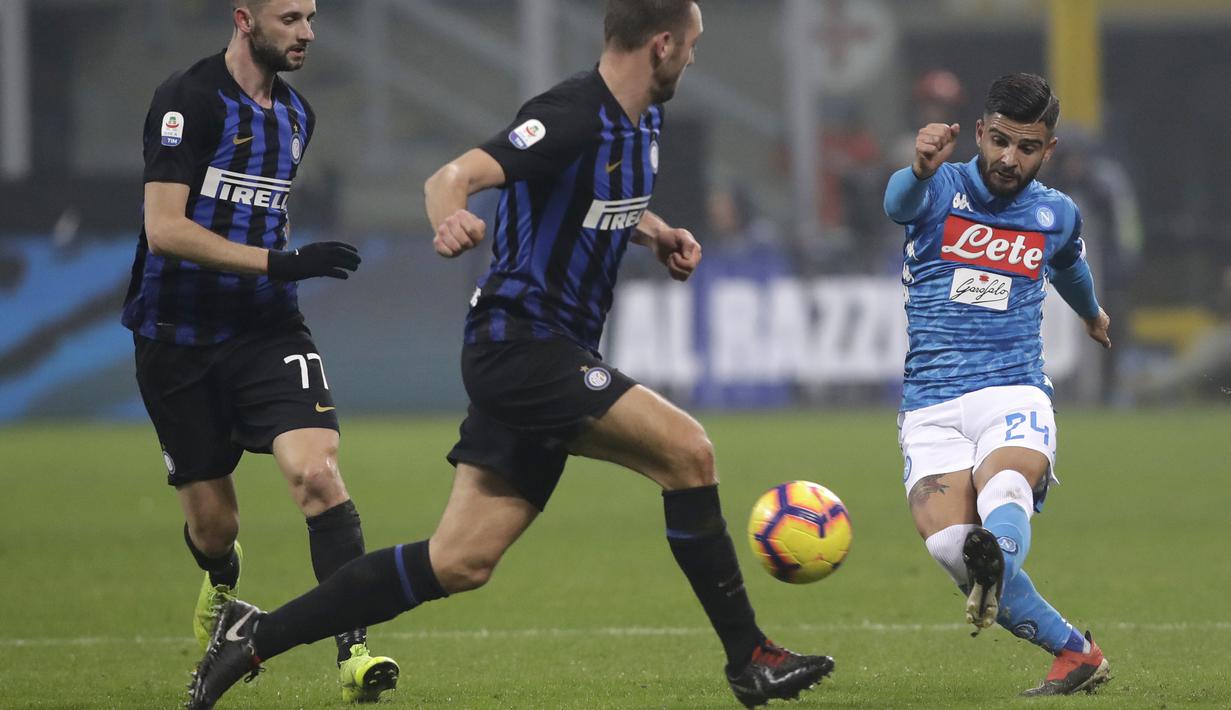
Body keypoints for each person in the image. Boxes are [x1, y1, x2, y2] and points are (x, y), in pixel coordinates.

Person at [186, 2, 834, 708]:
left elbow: (595, 193)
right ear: (659, 44)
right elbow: (449, 178)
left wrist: (654, 231)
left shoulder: (644, 117)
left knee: (459, 561)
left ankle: (252, 637)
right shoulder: (567, 114)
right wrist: (451, 218)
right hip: (521, 345)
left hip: (549, 351)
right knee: (688, 452)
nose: (694, 58)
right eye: (691, 45)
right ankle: (749, 659)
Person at [121, 0, 397, 702]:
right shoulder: (187, 100)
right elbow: (164, 229)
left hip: (266, 329)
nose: (306, 32)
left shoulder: (298, 115)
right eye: (289, 18)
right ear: (245, 18)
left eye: (310, 17)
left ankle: (354, 652)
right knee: (215, 527)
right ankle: (222, 588)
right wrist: (279, 262)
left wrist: (277, 276)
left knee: (317, 474)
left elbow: (256, 211)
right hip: (176, 337)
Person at [883, 73, 1113, 696]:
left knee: (1006, 481)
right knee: (951, 548)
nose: (1010, 159)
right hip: (929, 402)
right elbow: (897, 204)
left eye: (1028, 148)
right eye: (1001, 142)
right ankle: (1076, 653)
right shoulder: (939, 188)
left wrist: (1091, 314)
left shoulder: (1055, 213)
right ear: (980, 133)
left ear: (1049, 150)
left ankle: (998, 555)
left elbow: (1068, 267)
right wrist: (921, 167)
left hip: (1013, 387)